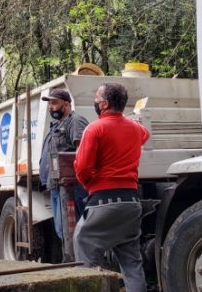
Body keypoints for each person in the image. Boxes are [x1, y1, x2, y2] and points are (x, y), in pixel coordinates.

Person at [73, 83, 150, 292]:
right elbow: (145, 134)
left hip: (104, 202)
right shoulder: (135, 128)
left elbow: (82, 167)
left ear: (104, 104)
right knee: (131, 262)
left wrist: (90, 184)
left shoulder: (95, 128)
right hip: (131, 203)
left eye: (97, 98)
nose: (95, 101)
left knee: (83, 242)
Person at [39, 88, 89, 241]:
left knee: (74, 230)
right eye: (49, 104)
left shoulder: (75, 121)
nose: (51, 107)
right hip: (57, 185)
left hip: (72, 187)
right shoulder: (56, 126)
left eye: (54, 103)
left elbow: (82, 152)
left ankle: (80, 256)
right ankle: (72, 256)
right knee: (63, 230)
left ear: (66, 104)